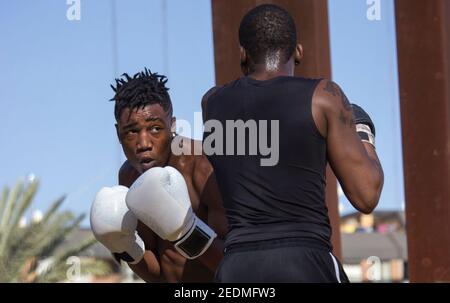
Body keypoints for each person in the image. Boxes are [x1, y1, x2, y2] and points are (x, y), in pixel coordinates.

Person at [201, 4, 384, 282]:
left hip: (237, 267)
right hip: (304, 260)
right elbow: (366, 195)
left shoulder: (211, 103)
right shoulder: (324, 96)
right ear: (298, 51)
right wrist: (361, 131)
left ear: (243, 54)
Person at [90, 69, 227, 282]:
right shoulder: (128, 177)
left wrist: (189, 232)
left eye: (155, 128)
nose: (144, 144)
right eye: (131, 132)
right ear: (118, 134)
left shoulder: (202, 167)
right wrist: (126, 247)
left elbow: (235, 266)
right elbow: (157, 273)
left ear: (172, 125)